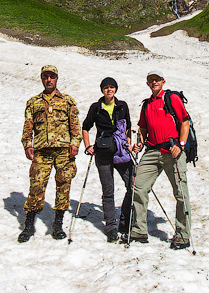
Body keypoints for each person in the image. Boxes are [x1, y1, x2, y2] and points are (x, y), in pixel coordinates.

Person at [128, 70, 192, 249]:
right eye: (151, 80)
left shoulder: (171, 99)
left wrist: (181, 144)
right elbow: (142, 127)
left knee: (180, 193)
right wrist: (140, 142)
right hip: (153, 150)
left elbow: (184, 122)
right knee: (138, 186)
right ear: (148, 84)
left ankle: (183, 234)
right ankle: (139, 229)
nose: (154, 82)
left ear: (163, 81)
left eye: (157, 79)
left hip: (173, 150)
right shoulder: (147, 105)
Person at [19, 65, 81, 243]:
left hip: (63, 151)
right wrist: (27, 145)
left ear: (57, 78)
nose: (49, 80)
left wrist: (75, 144)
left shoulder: (67, 101)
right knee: (36, 185)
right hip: (41, 150)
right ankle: (29, 225)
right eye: (45, 76)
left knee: (64, 185)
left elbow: (75, 125)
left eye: (52, 76)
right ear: (41, 79)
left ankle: (57, 224)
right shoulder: (33, 102)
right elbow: (27, 126)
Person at [81, 77, 134, 242]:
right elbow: (85, 127)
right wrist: (88, 146)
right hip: (103, 153)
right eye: (106, 87)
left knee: (133, 184)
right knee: (108, 191)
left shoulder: (122, 106)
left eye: (112, 87)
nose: (109, 90)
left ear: (116, 89)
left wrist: (129, 143)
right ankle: (111, 226)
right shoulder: (96, 107)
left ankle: (124, 220)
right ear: (102, 90)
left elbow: (128, 127)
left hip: (121, 152)